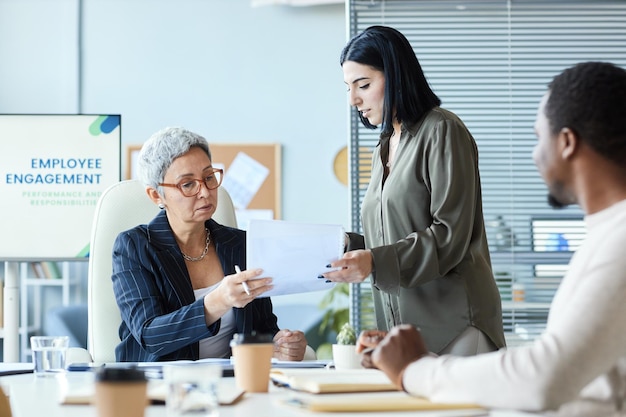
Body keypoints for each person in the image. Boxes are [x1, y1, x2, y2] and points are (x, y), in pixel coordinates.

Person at [357, 61, 626, 415]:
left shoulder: (618, 245)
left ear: (566, 143)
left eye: (537, 137)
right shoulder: (605, 237)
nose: (534, 155)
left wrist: (414, 369)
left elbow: (544, 377)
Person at [324, 25, 505, 355]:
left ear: (394, 76)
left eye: (363, 85)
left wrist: (374, 261)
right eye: (348, 88)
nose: (353, 99)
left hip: (455, 324)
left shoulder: (442, 130)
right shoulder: (386, 145)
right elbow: (394, 238)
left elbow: (449, 234)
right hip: (405, 330)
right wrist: (353, 248)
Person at [112, 127, 308, 362]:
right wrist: (219, 300)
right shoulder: (134, 247)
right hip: (158, 384)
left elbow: (262, 327)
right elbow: (150, 335)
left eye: (208, 177)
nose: (204, 191)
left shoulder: (242, 244)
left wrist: (280, 344)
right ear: (157, 196)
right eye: (187, 184)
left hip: (231, 381)